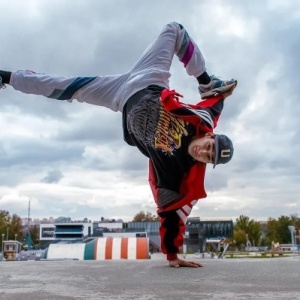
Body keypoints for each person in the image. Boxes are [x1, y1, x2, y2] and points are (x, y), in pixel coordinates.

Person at [0, 22, 237, 268]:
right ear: (209, 136)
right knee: (174, 30)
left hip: (119, 95)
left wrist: (173, 256)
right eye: (209, 147)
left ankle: (6, 77)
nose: (203, 152)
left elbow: (172, 214)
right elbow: (216, 102)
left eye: (208, 158)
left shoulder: (177, 173)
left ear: (207, 163)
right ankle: (206, 79)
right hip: (150, 77)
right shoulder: (202, 120)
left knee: (64, 87)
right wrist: (212, 88)